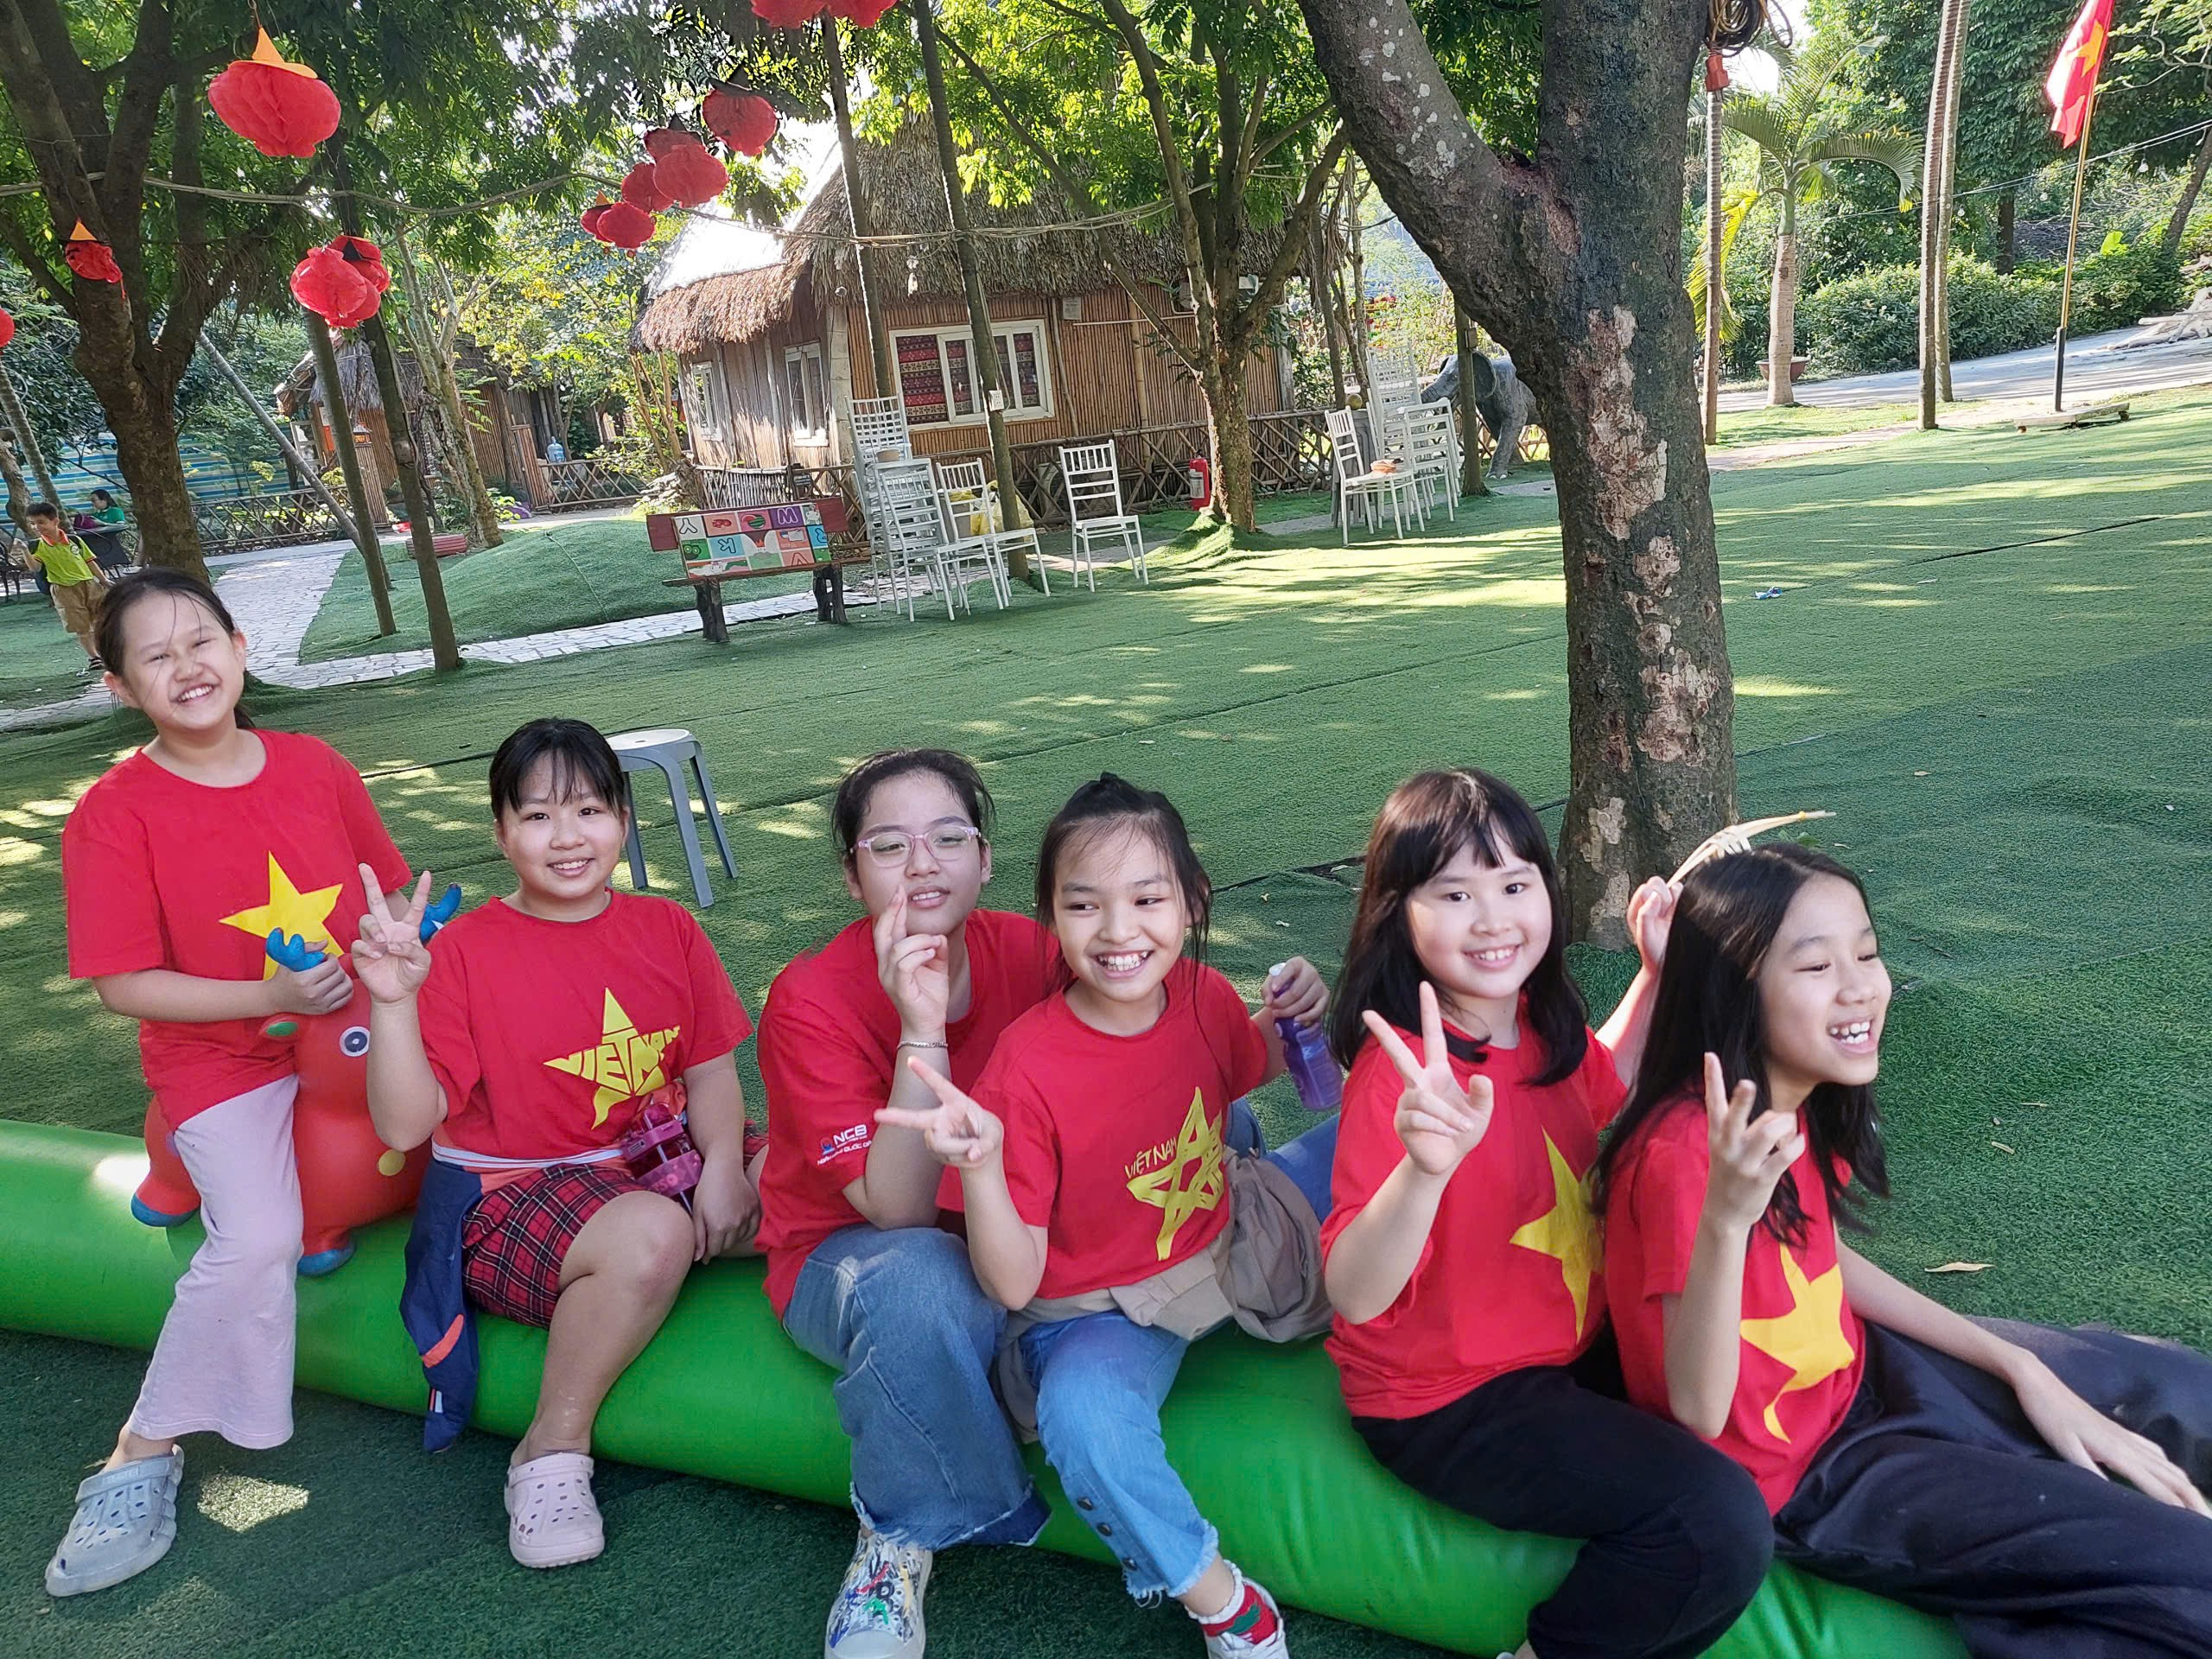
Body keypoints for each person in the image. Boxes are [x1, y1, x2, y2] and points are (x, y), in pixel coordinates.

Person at [1594, 842, 2212, 1657]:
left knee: (2177, 1387)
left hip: (1872, 1375)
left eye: (1867, 952)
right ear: (1736, 991)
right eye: (1815, 967)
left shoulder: (1793, 1091)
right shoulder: (1686, 1155)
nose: (1861, 987)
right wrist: (1723, 1222)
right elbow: (1696, 1415)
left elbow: (1817, 1263)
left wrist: (2020, 1369)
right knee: (2184, 1572)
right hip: (1812, 1475)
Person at [880, 773, 1339, 1659]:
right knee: (1082, 1417)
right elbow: (1012, 1281)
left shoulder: (1202, 997)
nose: (1119, 932)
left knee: (1395, 1133)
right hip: (1106, 1312)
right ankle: (1226, 1604)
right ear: (1052, 918)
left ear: (1193, 902)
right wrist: (978, 1168)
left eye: (1146, 899)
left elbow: (1249, 1068)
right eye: (1084, 905)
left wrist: (1295, 1018)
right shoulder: (1028, 1065)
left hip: (1235, 1236)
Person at [1319, 769, 1776, 1659]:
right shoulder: (1407, 1076)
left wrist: (1649, 978)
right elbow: (1354, 1292)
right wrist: (1422, 1171)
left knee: (1741, 1382)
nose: (1492, 919)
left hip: (1567, 1344)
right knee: (1714, 1523)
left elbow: (1597, 1085)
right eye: (1453, 892)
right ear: (1396, 913)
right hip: (1450, 1401)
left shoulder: (1533, 1015)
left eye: (1513, 884)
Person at [47, 569, 419, 1597]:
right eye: (155, 656)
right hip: (222, 1062)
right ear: (124, 688)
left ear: (242, 646)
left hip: (348, 1032)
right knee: (258, 1235)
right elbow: (125, 985)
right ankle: (142, 1447)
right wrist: (268, 996)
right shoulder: (112, 813)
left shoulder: (313, 765)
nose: (187, 666)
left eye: (200, 640)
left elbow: (378, 889)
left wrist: (395, 953)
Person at [364, 717, 763, 1570]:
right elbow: (404, 1127)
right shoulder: (464, 951)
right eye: (538, 816)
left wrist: (726, 1169)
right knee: (653, 1235)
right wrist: (392, 1003)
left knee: (825, 1174)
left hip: (659, 1151)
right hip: (512, 1194)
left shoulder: (667, 929)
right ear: (501, 833)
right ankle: (548, 1451)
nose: (568, 837)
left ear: (624, 817)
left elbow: (710, 1074)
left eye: (587, 809)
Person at [754, 748, 1059, 1658]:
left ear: (986, 858)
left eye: (948, 837)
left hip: (1004, 1224)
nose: (923, 863)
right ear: (852, 874)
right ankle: (895, 1535)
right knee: (924, 1280)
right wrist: (921, 1027)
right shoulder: (808, 998)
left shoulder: (1035, 953)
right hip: (850, 1248)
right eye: (890, 845)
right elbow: (893, 1209)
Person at [26, 500, 108, 671]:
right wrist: (25, 552)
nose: (36, 527)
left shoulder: (75, 541)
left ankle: (107, 652)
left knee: (102, 620)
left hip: (89, 585)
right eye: (33, 523)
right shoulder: (37, 546)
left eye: (41, 522)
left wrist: (103, 579)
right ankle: (94, 657)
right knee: (81, 626)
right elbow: (35, 567)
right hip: (63, 589)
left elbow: (90, 561)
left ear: (55, 521)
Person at [81, 486, 132, 576]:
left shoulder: (115, 511)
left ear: (104, 500)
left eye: (94, 500)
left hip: (115, 539)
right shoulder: (97, 514)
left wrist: (103, 523)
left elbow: (121, 525)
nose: (93, 504)